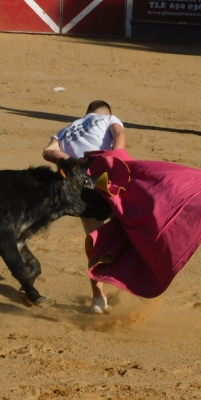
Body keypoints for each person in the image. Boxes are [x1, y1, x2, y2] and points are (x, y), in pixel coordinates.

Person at [42, 101, 126, 314]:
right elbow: (119, 136)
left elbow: (48, 152)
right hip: (107, 179)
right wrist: (116, 160)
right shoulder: (108, 118)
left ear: (86, 114)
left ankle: (98, 299)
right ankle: (132, 277)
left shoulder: (65, 130)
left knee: (95, 241)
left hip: (81, 187)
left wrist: (74, 162)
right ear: (105, 112)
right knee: (131, 227)